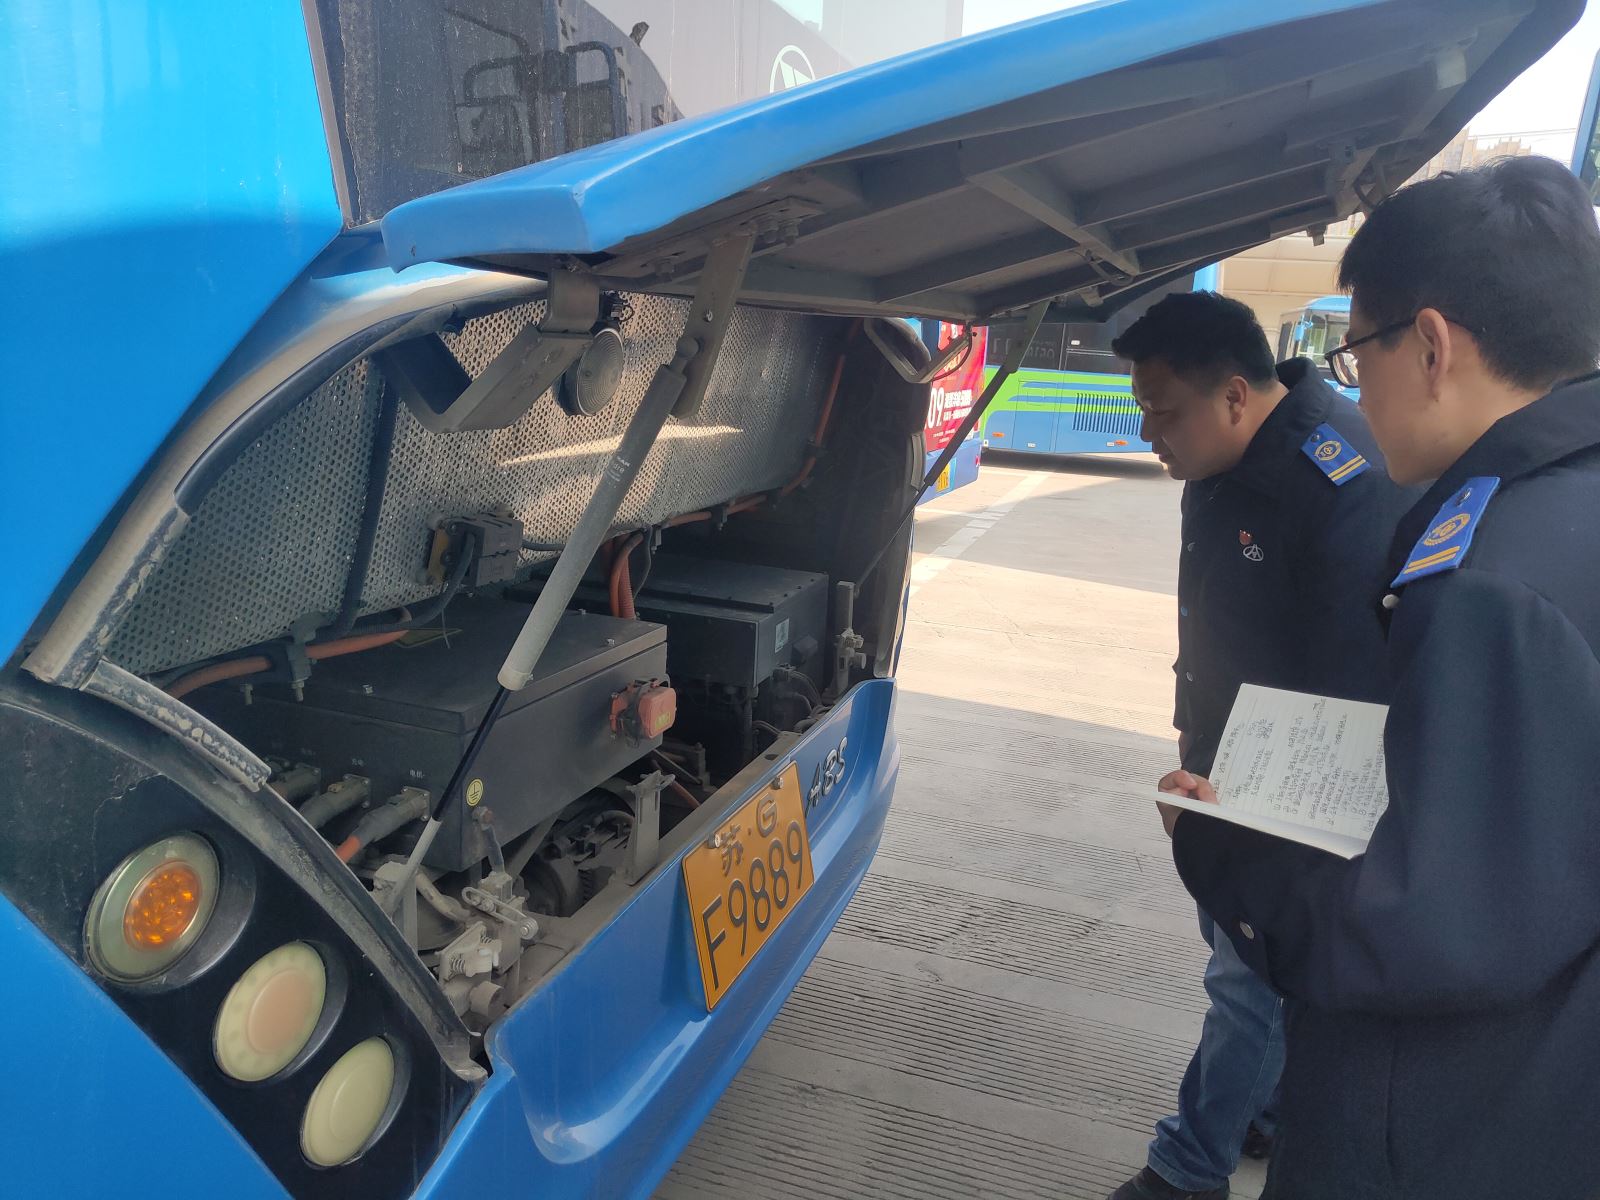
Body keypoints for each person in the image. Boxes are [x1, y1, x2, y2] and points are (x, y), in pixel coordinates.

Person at [1166, 154, 1600, 1199]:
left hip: (1446, 1129)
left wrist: (1217, 848)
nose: (1356, 383)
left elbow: (1427, 931)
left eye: (1359, 350)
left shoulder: (1490, 579)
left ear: (1432, 346)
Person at [1105, 292, 1417, 1200]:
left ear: (1235, 395)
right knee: (1243, 958)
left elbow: (1352, 684)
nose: (1149, 433)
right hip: (1221, 757)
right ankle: (1265, 1108)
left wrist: (1253, 808)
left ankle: (1186, 1169)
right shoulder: (1217, 458)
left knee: (1247, 977)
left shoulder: (1342, 482)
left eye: (1163, 412)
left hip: (1292, 780)